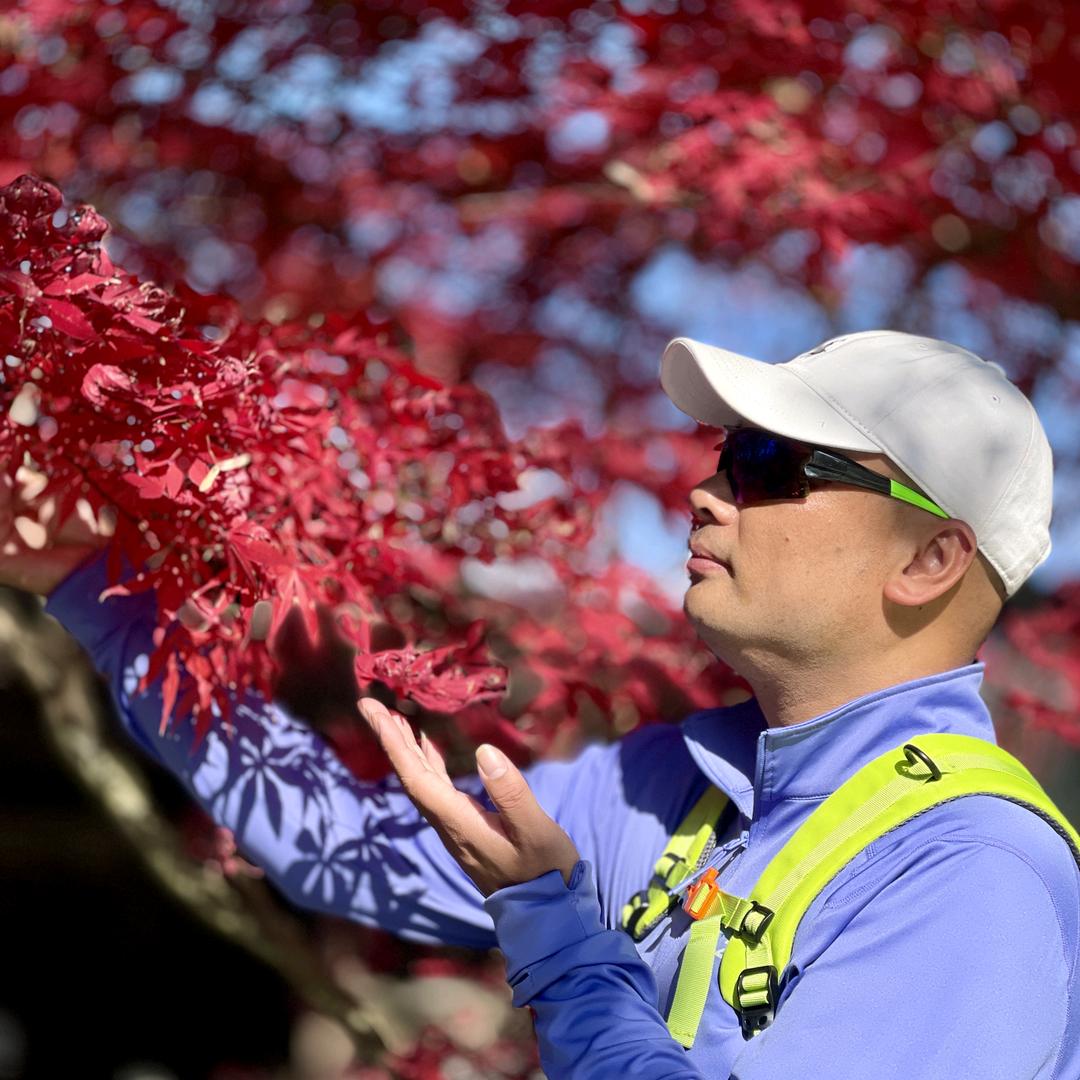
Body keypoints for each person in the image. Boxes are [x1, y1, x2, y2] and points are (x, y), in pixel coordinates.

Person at [12, 329, 1080, 1079]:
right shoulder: (671, 786)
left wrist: (560, 940)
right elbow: (340, 843)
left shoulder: (970, 876)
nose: (707, 493)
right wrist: (93, 581)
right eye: (724, 455)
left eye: (772, 465)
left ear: (933, 557)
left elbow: (550, 923)